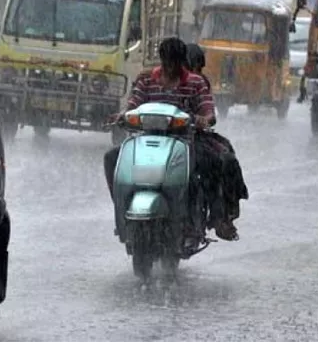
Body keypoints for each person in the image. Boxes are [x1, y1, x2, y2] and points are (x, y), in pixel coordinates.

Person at [103, 37, 239, 241]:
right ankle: (122, 209)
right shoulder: (147, 80)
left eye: (175, 62)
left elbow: (208, 111)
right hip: (147, 139)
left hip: (185, 141)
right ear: (161, 59)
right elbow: (133, 105)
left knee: (206, 167)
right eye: (167, 62)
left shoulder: (195, 83)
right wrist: (121, 116)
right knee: (111, 158)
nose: (170, 67)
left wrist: (204, 119)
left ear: (181, 61)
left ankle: (208, 219)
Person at [185, 43, 249, 228]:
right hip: (165, 137)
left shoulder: (199, 83)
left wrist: (202, 119)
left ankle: (223, 215)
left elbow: (207, 111)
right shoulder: (157, 80)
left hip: (192, 136)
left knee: (224, 158)